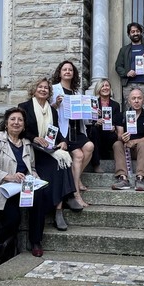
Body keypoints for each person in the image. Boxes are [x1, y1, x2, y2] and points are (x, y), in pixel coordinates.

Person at [19, 78, 83, 232]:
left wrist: (63, 142)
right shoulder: (24, 107)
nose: (43, 90)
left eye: (46, 88)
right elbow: (20, 129)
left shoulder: (52, 110)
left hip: (48, 148)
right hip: (33, 149)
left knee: (63, 158)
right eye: (40, 87)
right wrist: (34, 137)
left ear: (49, 92)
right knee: (58, 163)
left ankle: (59, 211)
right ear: (34, 90)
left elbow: (57, 131)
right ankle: (68, 196)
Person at [0, 107, 46, 263]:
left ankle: (36, 241)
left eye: (20, 120)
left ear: (24, 125)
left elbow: (31, 168)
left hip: (23, 185)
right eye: (12, 119)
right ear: (6, 123)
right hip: (3, 187)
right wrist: (9, 176)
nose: (16, 123)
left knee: (40, 196)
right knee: (13, 218)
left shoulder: (27, 143)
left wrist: (34, 178)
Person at [51, 60, 93, 207]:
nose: (68, 72)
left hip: (76, 129)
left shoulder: (77, 93)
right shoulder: (54, 89)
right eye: (65, 69)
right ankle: (76, 193)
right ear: (60, 73)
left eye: (70, 70)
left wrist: (92, 112)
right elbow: (48, 110)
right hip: (64, 131)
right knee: (79, 155)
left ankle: (77, 176)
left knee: (89, 146)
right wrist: (56, 104)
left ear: (73, 73)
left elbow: (83, 115)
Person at [111, 88, 144, 191]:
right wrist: (123, 138)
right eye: (133, 98)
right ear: (129, 100)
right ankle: (123, 178)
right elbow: (119, 135)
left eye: (139, 98)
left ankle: (140, 178)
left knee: (143, 144)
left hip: (140, 149)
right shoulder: (122, 116)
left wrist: (134, 141)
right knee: (117, 144)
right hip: (126, 149)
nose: (136, 101)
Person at [115, 22, 144, 113]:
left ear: (141, 33)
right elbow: (118, 66)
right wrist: (126, 73)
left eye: (137, 31)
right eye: (132, 32)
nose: (135, 33)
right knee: (130, 113)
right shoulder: (124, 50)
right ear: (129, 34)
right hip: (129, 85)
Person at [87, 79, 121, 173]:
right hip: (96, 132)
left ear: (110, 88)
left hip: (109, 133)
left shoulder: (116, 105)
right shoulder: (93, 103)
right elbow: (87, 121)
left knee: (113, 136)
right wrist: (96, 121)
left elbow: (117, 121)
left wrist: (113, 127)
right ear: (98, 89)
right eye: (102, 86)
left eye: (107, 86)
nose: (105, 88)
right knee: (93, 130)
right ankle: (96, 164)